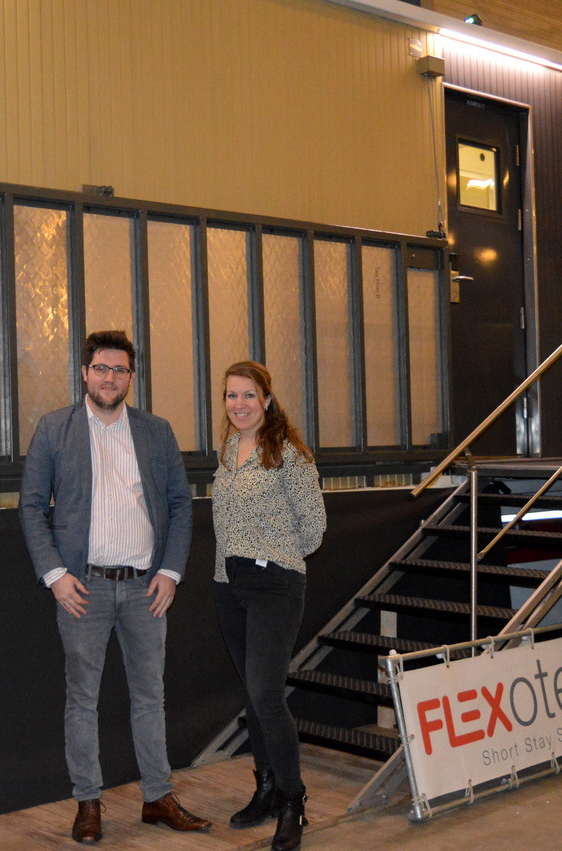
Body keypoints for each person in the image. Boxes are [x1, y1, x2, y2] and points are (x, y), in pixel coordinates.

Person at [19, 330, 211, 844]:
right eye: (101, 368)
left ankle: (157, 797)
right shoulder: (54, 428)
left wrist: (170, 572)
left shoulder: (156, 431)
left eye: (119, 370)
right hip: (83, 589)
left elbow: (180, 505)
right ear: (85, 373)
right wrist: (55, 575)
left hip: (147, 588)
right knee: (82, 699)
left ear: (131, 376)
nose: (110, 378)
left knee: (151, 697)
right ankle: (88, 802)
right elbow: (32, 507)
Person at [212, 361, 326, 851]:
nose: (239, 404)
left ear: (266, 400)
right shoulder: (226, 453)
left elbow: (314, 527)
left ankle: (293, 801)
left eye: (248, 395)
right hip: (229, 584)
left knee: (266, 693)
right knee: (252, 695)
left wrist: (273, 554)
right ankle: (267, 788)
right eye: (231, 395)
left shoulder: (289, 454)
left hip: (275, 583)